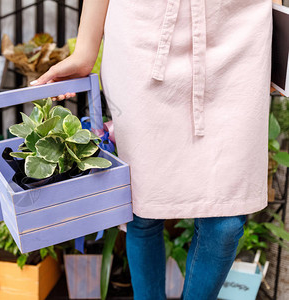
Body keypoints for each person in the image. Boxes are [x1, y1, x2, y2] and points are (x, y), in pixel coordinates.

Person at [32, 0, 280, 299]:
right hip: (143, 35)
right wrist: (85, 50)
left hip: (238, 30)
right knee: (143, 210)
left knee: (227, 222)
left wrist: (277, 45)